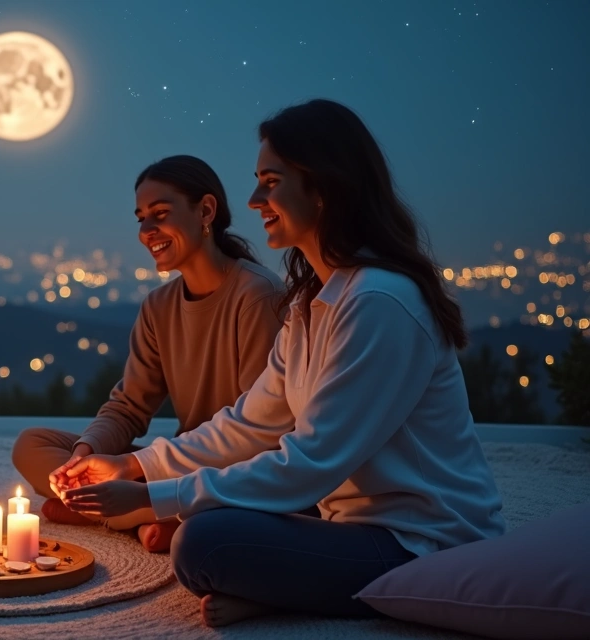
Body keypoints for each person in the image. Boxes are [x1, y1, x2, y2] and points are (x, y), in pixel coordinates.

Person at [59, 99, 506, 627]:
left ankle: (310, 592)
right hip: (349, 528)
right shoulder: (309, 305)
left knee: (202, 543)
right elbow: (249, 424)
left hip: (422, 542)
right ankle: (280, 588)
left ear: (323, 186)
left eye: (270, 181)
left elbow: (311, 461)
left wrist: (154, 496)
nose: (252, 199)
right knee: (205, 527)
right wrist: (132, 466)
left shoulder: (380, 303)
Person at [12, 155, 285, 552]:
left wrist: (138, 470)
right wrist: (85, 454)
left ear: (206, 211)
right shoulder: (159, 306)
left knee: (242, 506)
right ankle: (137, 517)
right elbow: (129, 408)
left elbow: (258, 433)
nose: (146, 230)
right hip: (173, 466)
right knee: (32, 445)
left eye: (160, 214)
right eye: (140, 217)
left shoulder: (257, 295)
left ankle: (129, 513)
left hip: (235, 470)